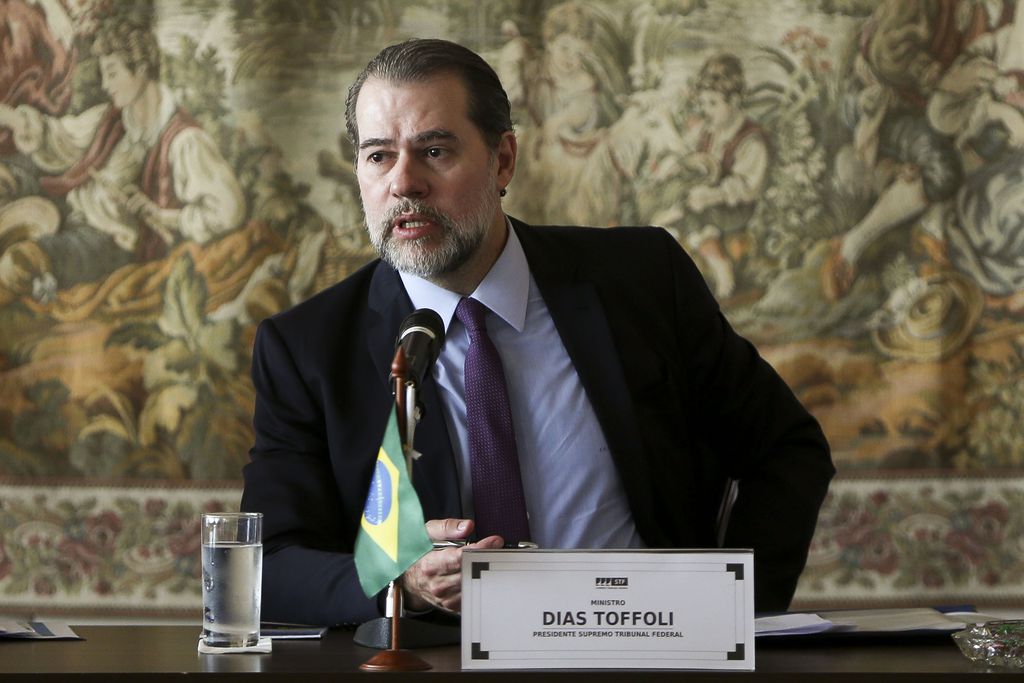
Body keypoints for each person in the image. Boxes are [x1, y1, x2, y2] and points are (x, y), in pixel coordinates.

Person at [241, 38, 834, 627]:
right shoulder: (307, 347)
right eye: (378, 156)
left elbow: (786, 449)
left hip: (649, 657)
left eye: (435, 151)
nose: (404, 183)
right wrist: (401, 584)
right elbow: (268, 569)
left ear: (503, 161)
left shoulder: (642, 281)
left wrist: (739, 612)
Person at [0, 19, 245, 301]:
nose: (106, 85)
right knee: (8, 176)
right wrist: (13, 119)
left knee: (19, 264)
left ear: (141, 70)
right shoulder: (113, 117)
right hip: (72, 205)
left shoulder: (184, 141)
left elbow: (228, 210)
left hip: (106, 240)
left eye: (112, 74)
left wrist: (162, 215)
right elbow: (62, 137)